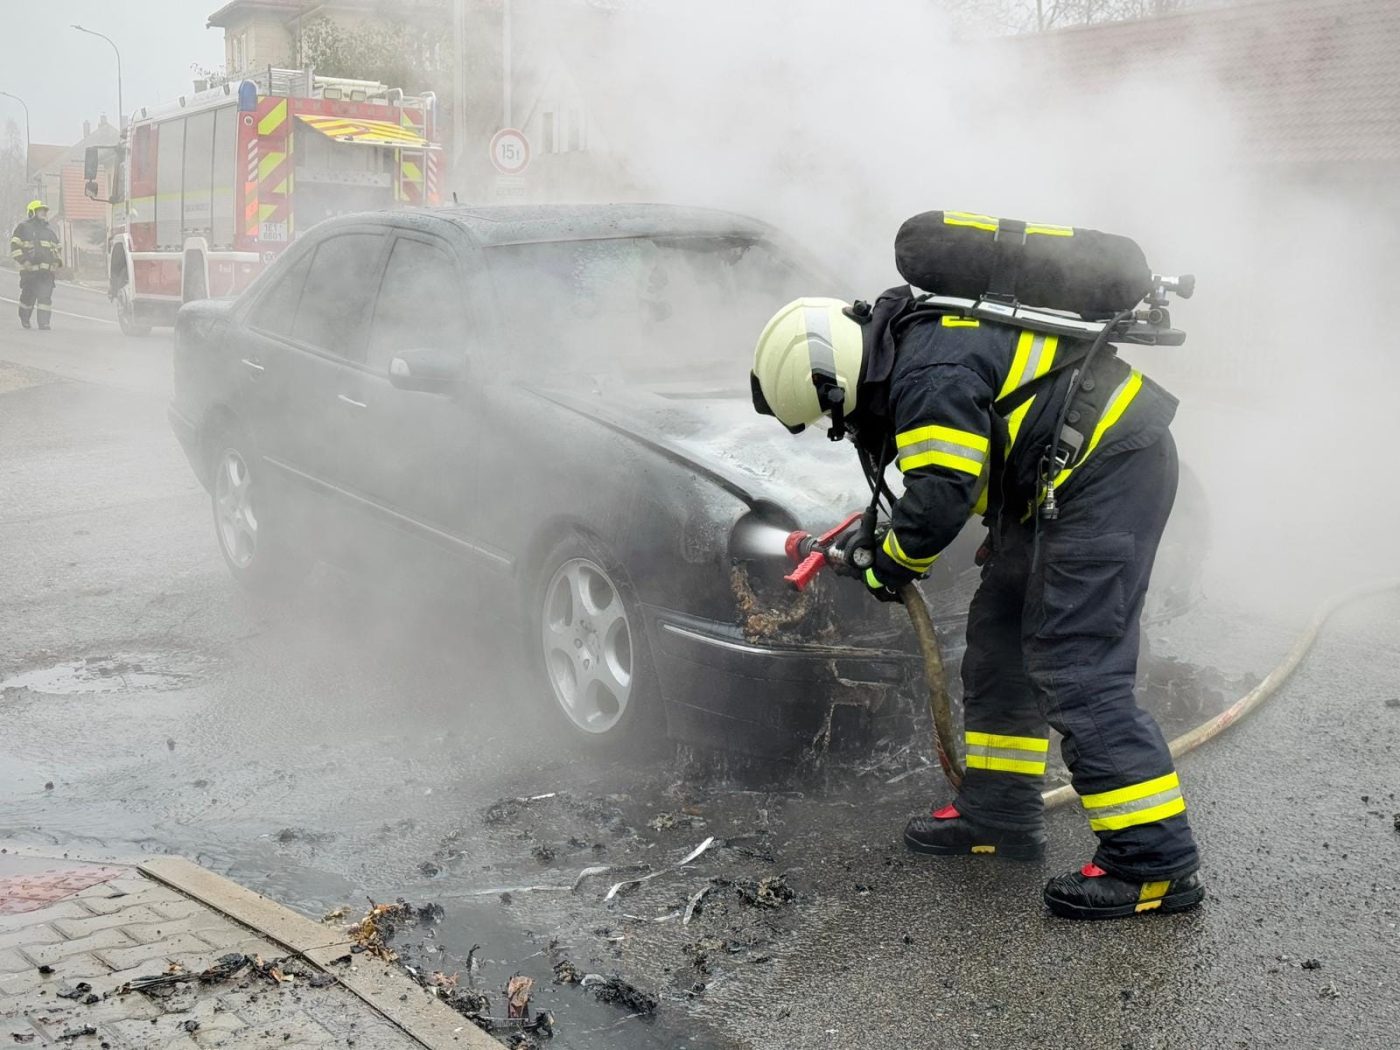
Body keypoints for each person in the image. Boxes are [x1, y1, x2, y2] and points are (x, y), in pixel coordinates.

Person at [749, 289, 1203, 921]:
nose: (846, 428)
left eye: (837, 417)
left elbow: (941, 496)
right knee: (998, 641)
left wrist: (887, 564)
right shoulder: (915, 353)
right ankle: (1000, 814)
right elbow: (969, 466)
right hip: (1058, 482)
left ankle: (1153, 862)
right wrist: (886, 543)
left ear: (833, 381)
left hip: (1108, 476)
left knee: (1076, 666)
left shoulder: (928, 374)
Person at [10, 200, 61, 330]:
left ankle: (44, 323)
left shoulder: (49, 232)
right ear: (32, 212)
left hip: (46, 273)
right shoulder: (23, 228)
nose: (44, 213)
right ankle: (25, 318)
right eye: (40, 210)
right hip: (30, 272)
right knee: (28, 297)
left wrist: (56, 261)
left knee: (45, 299)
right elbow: (14, 246)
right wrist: (24, 261)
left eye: (44, 211)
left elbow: (57, 248)